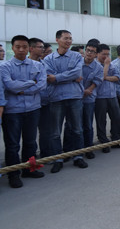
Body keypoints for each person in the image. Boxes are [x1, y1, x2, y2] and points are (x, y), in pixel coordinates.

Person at [1, 35, 47, 188]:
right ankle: (13, 174)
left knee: (30, 142)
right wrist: (29, 83)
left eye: (24, 47)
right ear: (12, 48)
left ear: (29, 48)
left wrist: (21, 89)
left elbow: (41, 85)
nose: (21, 50)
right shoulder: (5, 67)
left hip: (33, 109)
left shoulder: (38, 65)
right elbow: (9, 85)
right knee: (13, 145)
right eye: (17, 47)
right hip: (13, 111)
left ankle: (29, 169)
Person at [43, 30, 88, 173]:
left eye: (70, 38)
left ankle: (78, 156)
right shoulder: (48, 59)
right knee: (55, 132)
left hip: (74, 97)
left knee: (77, 129)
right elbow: (48, 76)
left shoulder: (76, 56)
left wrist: (57, 78)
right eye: (65, 38)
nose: (69, 41)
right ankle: (58, 159)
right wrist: (68, 77)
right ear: (57, 40)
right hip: (56, 98)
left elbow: (76, 73)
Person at [94, 44, 120, 154]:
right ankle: (103, 141)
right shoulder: (95, 64)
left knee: (117, 118)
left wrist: (106, 77)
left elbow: (117, 77)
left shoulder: (112, 65)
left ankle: (115, 139)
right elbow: (100, 78)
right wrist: (106, 66)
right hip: (100, 96)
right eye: (103, 54)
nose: (106, 57)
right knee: (101, 120)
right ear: (98, 54)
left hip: (112, 95)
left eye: (108, 54)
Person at [79, 42, 103, 159]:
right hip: (75, 98)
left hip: (89, 98)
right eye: (87, 50)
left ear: (96, 54)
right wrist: (80, 91)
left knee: (88, 125)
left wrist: (89, 90)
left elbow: (98, 80)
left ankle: (88, 148)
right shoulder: (77, 63)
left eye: (92, 51)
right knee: (73, 126)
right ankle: (71, 151)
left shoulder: (98, 66)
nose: (89, 53)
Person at [28, 38, 51, 158]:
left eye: (43, 47)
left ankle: (45, 155)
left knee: (46, 132)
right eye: (40, 47)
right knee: (29, 136)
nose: (43, 49)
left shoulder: (44, 64)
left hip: (45, 101)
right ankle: (28, 160)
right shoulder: (25, 64)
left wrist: (29, 85)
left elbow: (43, 83)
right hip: (29, 105)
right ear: (31, 48)